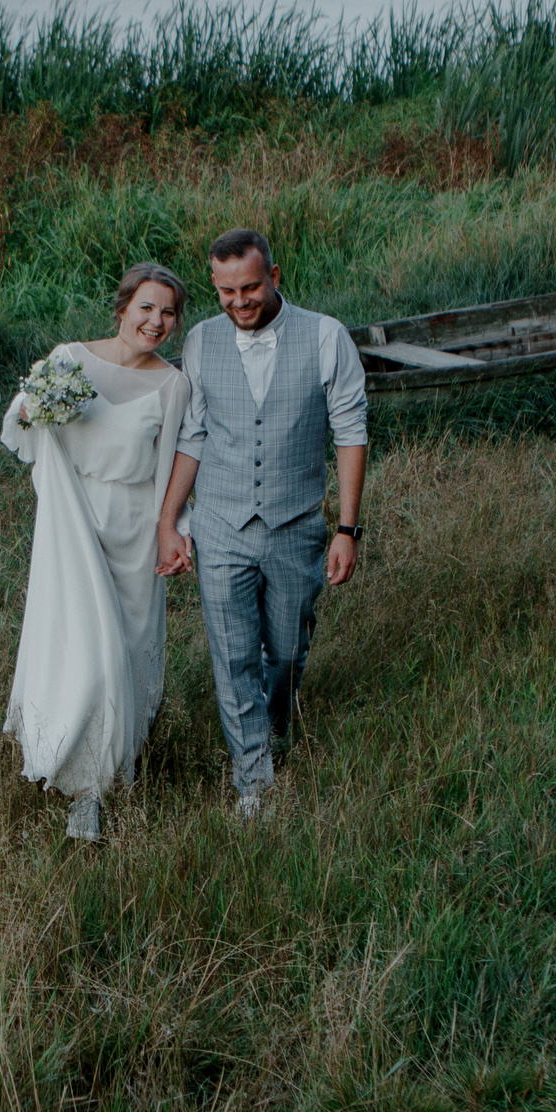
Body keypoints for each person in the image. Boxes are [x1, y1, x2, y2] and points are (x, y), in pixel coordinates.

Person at [156, 228, 368, 819]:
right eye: (225, 291)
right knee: (234, 654)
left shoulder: (326, 336)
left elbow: (350, 432)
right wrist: (169, 520)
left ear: (274, 276)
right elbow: (193, 434)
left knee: (290, 651)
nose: (239, 302)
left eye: (249, 287)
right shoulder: (199, 341)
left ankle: (276, 725)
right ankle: (254, 780)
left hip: (296, 524)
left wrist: (347, 529)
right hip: (220, 523)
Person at [2, 263, 194, 841]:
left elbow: (174, 466)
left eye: (168, 313)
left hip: (134, 527)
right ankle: (86, 790)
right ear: (122, 308)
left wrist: (172, 528)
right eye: (146, 307)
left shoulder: (172, 385)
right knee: (86, 650)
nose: (156, 321)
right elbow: (20, 421)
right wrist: (36, 410)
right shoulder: (71, 359)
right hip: (73, 521)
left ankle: (115, 763)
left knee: (128, 652)